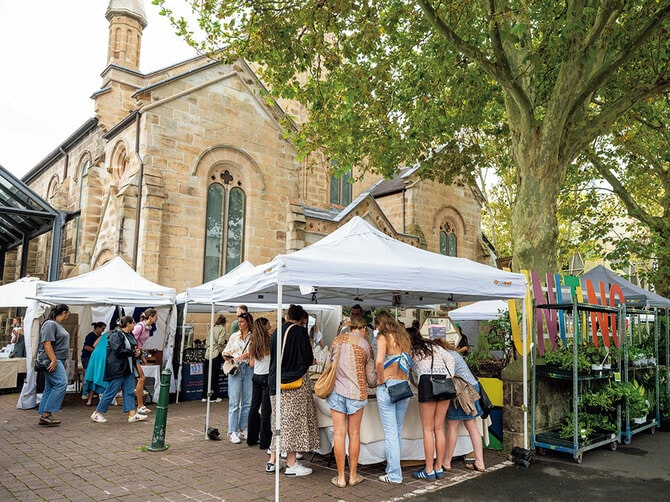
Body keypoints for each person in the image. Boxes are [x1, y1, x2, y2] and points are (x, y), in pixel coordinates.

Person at [267, 304, 319, 476]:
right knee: (291, 424)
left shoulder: (276, 331)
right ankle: (291, 464)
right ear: (302, 319)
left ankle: (272, 461)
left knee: (278, 422)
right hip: (292, 384)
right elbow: (307, 357)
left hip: (274, 382)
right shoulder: (299, 332)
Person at [325, 313, 377, 488]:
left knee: (339, 434)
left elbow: (328, 366)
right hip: (356, 393)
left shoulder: (336, 341)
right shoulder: (365, 345)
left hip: (336, 392)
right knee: (354, 434)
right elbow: (371, 380)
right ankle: (353, 475)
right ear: (362, 329)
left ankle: (340, 478)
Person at [407, 326, 455, 480]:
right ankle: (438, 467)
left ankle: (428, 470)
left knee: (428, 429)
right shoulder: (433, 346)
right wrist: (449, 376)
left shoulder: (411, 351)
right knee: (439, 428)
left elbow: (411, 374)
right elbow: (451, 359)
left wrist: (417, 384)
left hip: (426, 382)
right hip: (443, 381)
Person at [374, 310, 412, 484]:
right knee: (396, 431)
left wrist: (380, 379)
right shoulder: (403, 338)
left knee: (390, 433)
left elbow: (379, 361)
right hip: (403, 385)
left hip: (388, 386)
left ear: (379, 324)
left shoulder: (383, 338)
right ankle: (394, 469)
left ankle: (394, 474)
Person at [90, 316, 148, 423]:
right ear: (128, 324)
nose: (135, 325)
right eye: (133, 323)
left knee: (129, 391)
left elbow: (132, 347)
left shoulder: (129, 334)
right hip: (117, 368)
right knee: (111, 391)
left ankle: (132, 414)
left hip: (128, 367)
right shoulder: (116, 335)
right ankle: (97, 412)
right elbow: (118, 350)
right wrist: (132, 352)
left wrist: (137, 353)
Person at [443, 343, 486, 473]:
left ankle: (446, 461)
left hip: (462, 390)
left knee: (452, 425)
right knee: (472, 425)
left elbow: (446, 377)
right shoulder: (454, 354)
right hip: (472, 387)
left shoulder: (446, 356)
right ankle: (480, 462)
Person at [36, 304, 71, 426]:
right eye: (68, 312)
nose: (68, 314)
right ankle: (47, 414)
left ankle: (44, 414)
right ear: (64, 312)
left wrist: (62, 360)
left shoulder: (56, 324)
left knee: (50, 386)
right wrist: (54, 360)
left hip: (57, 359)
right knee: (61, 383)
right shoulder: (50, 324)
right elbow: (46, 343)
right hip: (51, 360)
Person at [222, 311, 253, 444]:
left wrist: (246, 355)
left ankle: (242, 428)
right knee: (234, 402)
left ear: (248, 323)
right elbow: (226, 350)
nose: (239, 324)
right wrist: (227, 354)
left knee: (247, 402)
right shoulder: (234, 336)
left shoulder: (254, 336)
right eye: (238, 321)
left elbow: (257, 351)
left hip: (249, 368)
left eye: (242, 322)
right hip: (235, 368)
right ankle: (232, 430)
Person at [247, 317, 272, 449]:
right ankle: (265, 441)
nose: (271, 326)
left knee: (254, 407)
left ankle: (251, 438)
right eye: (269, 324)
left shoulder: (253, 343)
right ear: (265, 326)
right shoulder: (269, 342)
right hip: (266, 377)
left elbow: (251, 364)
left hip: (256, 376)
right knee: (266, 410)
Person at [132, 308, 158, 414]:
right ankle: (140, 405)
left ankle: (139, 405)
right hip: (133, 355)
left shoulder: (147, 328)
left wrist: (141, 355)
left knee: (139, 379)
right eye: (156, 316)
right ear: (150, 316)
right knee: (142, 378)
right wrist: (136, 352)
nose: (157, 318)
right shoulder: (140, 327)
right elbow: (131, 339)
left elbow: (139, 343)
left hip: (137, 354)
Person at [201, 315, 227, 403]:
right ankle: (213, 397)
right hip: (215, 354)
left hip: (207, 353)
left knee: (207, 375)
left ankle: (204, 396)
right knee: (214, 376)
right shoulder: (222, 329)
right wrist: (224, 349)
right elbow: (220, 342)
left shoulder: (211, 329)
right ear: (224, 323)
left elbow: (207, 342)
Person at [81, 322, 106, 406]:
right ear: (97, 328)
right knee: (88, 374)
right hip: (87, 357)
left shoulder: (99, 336)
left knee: (91, 375)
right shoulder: (90, 336)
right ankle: (85, 392)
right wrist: (98, 352)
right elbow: (87, 347)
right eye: (102, 329)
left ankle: (90, 392)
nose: (102, 331)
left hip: (93, 358)